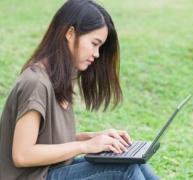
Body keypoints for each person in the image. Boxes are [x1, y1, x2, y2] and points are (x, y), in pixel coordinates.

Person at [0, 0, 159, 179]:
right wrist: (86, 147)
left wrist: (91, 138)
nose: (97, 54)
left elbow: (50, 142)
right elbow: (23, 155)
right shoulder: (35, 83)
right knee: (125, 171)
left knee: (131, 161)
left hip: (50, 171)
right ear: (70, 33)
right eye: (94, 43)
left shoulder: (57, 78)